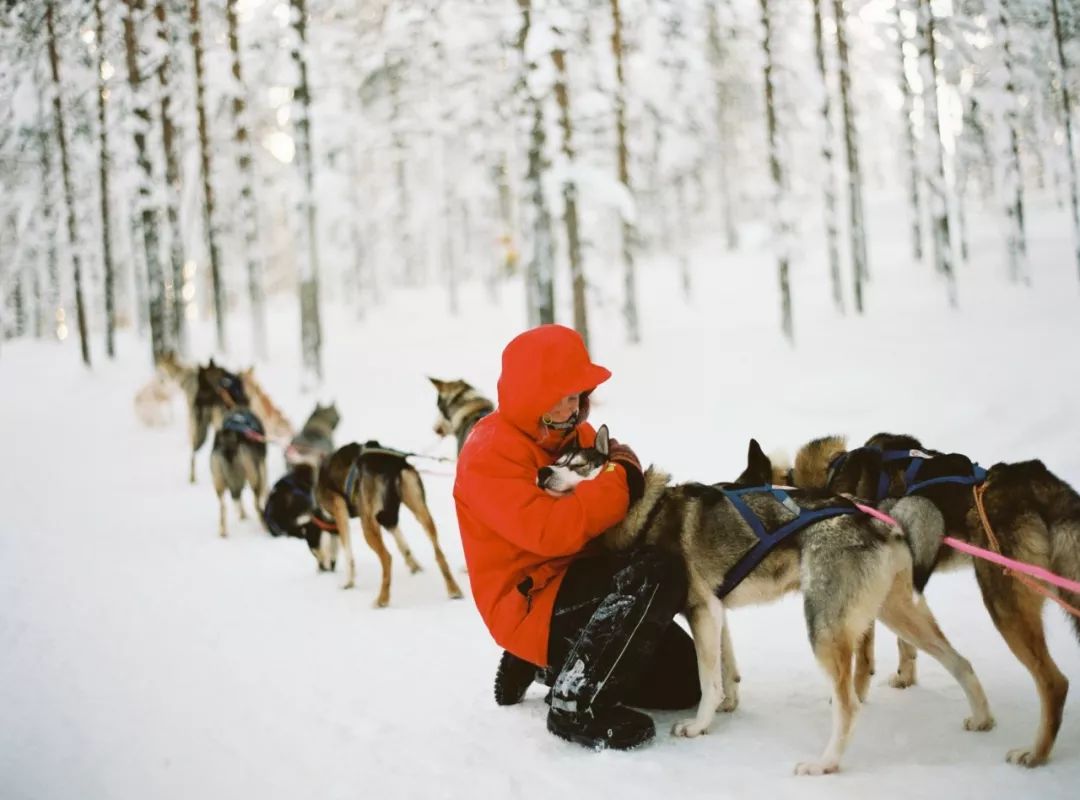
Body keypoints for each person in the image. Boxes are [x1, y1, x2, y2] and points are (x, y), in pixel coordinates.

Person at [453, 324, 699, 750]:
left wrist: (620, 470)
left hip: (581, 578)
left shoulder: (568, 430)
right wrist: (619, 479)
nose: (578, 405)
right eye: (566, 394)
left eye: (580, 393)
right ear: (535, 393)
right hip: (531, 601)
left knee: (682, 682)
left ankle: (554, 664)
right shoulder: (488, 453)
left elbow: (618, 455)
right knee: (657, 571)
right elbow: (554, 532)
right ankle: (575, 706)